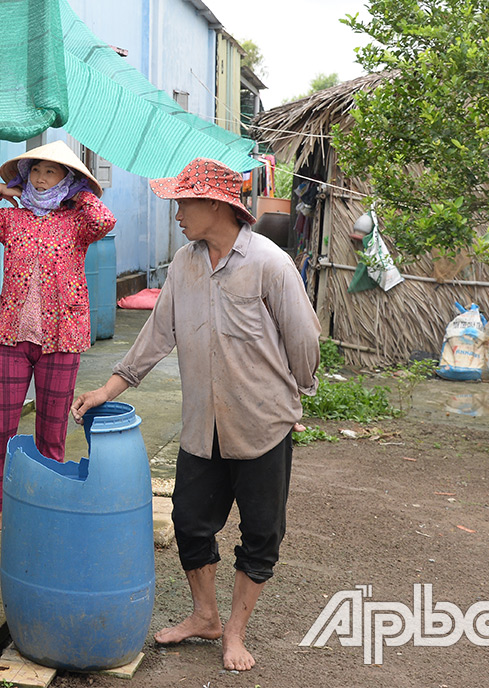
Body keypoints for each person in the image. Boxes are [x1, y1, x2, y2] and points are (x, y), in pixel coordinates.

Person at [70, 157, 320, 672]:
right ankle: (205, 615)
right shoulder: (184, 264)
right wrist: (109, 388)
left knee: (261, 533)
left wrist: (296, 397)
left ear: (216, 205)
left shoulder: (269, 264)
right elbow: (157, 335)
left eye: (184, 203)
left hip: (262, 423)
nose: (177, 214)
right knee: (189, 522)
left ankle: (235, 631)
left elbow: (304, 340)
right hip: (201, 425)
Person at [0, 140, 116, 541]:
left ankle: (46, 505)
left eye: (52, 172)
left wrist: (83, 195)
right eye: (36, 170)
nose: (41, 178)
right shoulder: (12, 219)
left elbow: (105, 221)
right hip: (12, 336)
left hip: (62, 338)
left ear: (68, 179)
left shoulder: (77, 222)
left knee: (52, 428)